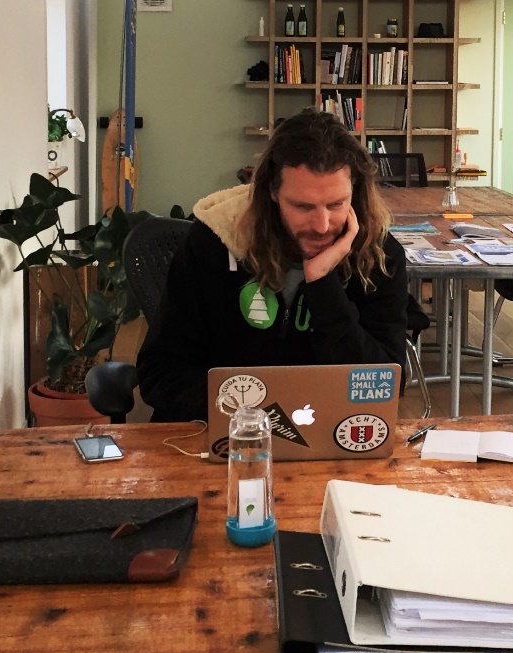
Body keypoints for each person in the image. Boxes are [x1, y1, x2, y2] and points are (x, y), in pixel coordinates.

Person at [137, 109, 408, 423]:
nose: (322, 225)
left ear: (355, 193)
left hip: (328, 433)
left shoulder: (379, 256)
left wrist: (323, 285)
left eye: (336, 204)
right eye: (303, 206)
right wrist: (251, 420)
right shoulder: (212, 243)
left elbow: (383, 385)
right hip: (218, 431)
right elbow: (160, 370)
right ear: (272, 193)